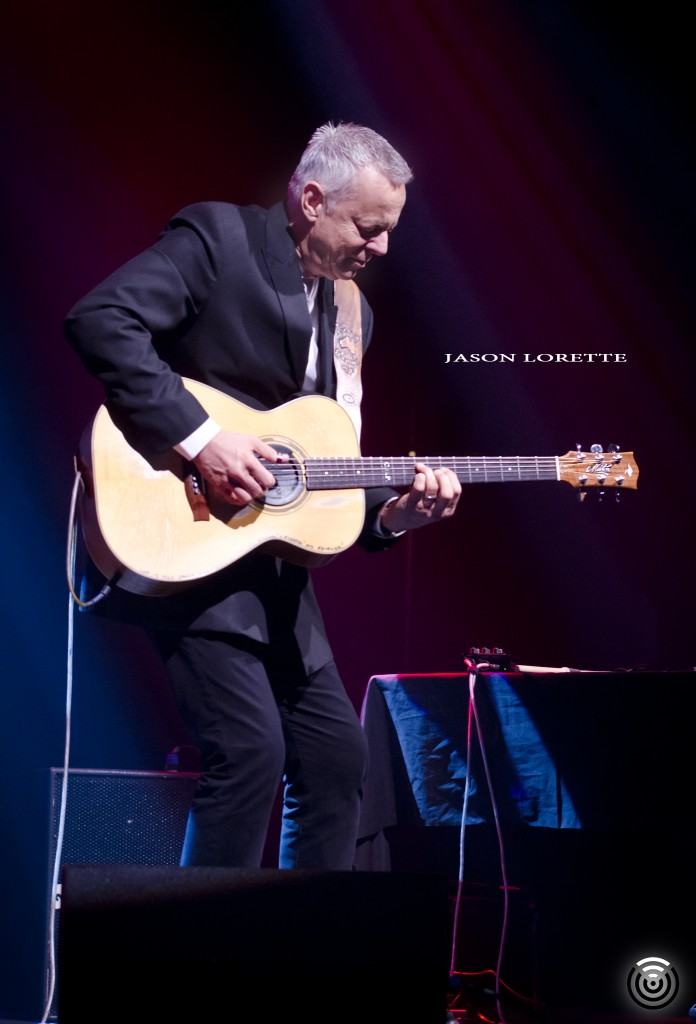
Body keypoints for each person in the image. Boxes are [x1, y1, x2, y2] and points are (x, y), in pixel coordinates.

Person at [65, 122, 461, 871]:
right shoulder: (223, 238)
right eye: (368, 227)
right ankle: (204, 966)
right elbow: (101, 320)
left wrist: (396, 517)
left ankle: (297, 966)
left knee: (340, 764)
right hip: (181, 536)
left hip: (269, 571)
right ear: (312, 199)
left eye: (389, 231)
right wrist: (204, 438)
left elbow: (324, 469)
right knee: (249, 754)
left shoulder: (353, 318)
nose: (381, 249)